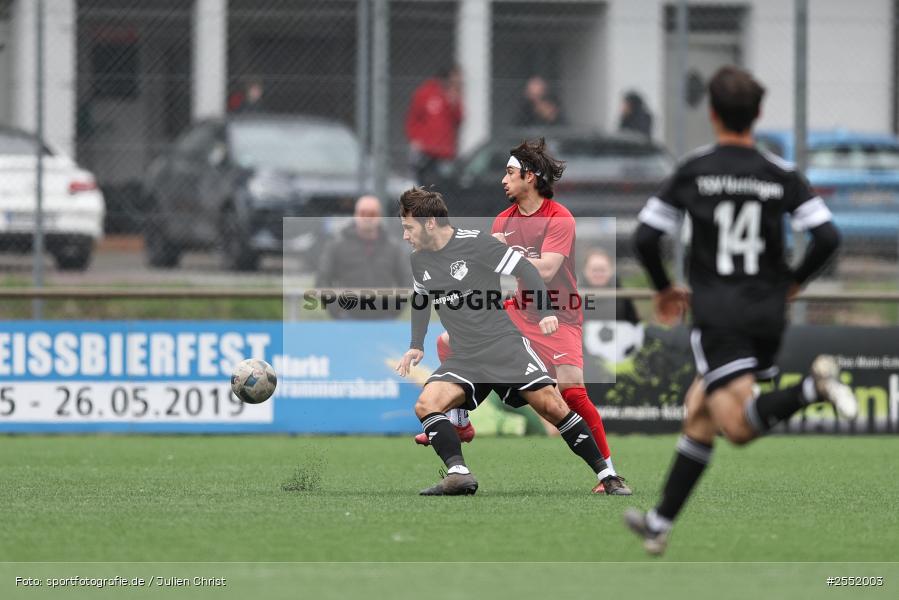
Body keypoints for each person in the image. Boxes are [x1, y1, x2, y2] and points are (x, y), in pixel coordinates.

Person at [624, 66, 856, 555]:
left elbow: (645, 237)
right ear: (759, 115)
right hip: (768, 316)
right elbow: (829, 237)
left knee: (737, 428)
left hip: (719, 314)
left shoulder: (695, 169)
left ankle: (814, 387)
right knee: (699, 414)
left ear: (711, 114)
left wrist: (664, 288)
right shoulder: (780, 173)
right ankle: (659, 524)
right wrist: (792, 282)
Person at [415, 139, 632, 495]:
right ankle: (459, 420)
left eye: (510, 172)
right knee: (448, 340)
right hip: (519, 311)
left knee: (572, 393)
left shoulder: (559, 218)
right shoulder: (503, 219)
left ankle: (607, 474)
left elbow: (546, 270)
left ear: (530, 177)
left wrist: (500, 257)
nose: (503, 179)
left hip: (558, 314)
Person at [316, 195, 411, 319]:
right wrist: (336, 310)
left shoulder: (393, 247)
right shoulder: (337, 245)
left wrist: (394, 310)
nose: (367, 217)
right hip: (348, 318)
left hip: (384, 319)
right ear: (355, 215)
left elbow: (407, 280)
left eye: (372, 213)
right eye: (363, 213)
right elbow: (322, 279)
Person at [405, 65, 464, 186]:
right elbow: (413, 119)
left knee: (445, 185)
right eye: (454, 80)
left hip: (445, 151)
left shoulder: (454, 96)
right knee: (424, 184)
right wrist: (415, 139)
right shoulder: (426, 93)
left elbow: (459, 119)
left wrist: (453, 102)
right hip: (426, 151)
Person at [581, 247, 639, 325]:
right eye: (594, 270)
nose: (598, 274)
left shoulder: (621, 295)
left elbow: (634, 324)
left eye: (602, 270)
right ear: (585, 271)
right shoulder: (575, 295)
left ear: (611, 270)